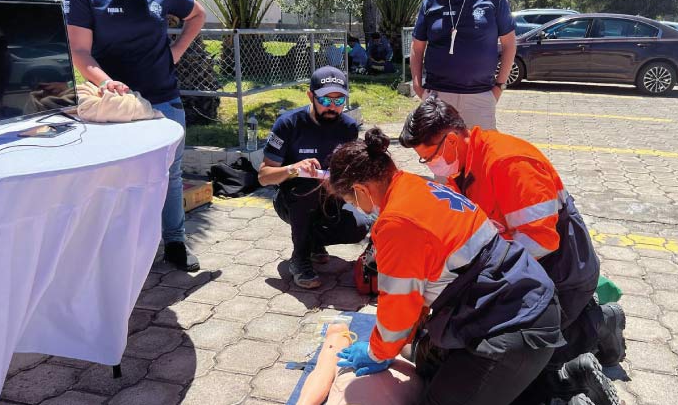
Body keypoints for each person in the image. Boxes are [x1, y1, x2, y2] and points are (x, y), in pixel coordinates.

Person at [399, 97, 625, 404]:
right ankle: (593, 327)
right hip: (533, 272)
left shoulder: (508, 163)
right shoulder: (465, 167)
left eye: (429, 158)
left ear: (451, 140)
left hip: (562, 275)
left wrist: (477, 278)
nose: (430, 166)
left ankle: (595, 328)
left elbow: (542, 242)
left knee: (511, 363)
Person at [328, 128, 568, 405]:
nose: (357, 208)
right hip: (525, 302)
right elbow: (417, 290)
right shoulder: (418, 186)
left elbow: (398, 305)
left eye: (350, 201)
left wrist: (376, 353)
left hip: (513, 330)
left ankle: (563, 393)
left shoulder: (396, 223)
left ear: (360, 190)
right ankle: (559, 384)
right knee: (432, 367)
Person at [64, 0, 206, 271]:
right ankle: (118, 253)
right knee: (114, 179)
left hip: (163, 99)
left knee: (170, 175)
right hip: (115, 106)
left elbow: (197, 14)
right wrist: (104, 81)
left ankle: (175, 241)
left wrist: (174, 53)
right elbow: (80, 50)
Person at [258, 66, 371, 289]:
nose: (332, 107)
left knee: (360, 225)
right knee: (307, 189)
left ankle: (312, 242)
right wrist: (293, 169)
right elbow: (263, 176)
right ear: (311, 95)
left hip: (331, 198)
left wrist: (341, 185)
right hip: (292, 200)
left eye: (339, 101)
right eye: (325, 99)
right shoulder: (288, 123)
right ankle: (300, 259)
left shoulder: (348, 127)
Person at [410, 0, 516, 131]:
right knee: (441, 159)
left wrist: (499, 87)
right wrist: (418, 88)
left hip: (480, 97)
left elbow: (509, 44)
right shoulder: (432, 0)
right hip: (437, 99)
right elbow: (417, 47)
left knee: (478, 157)